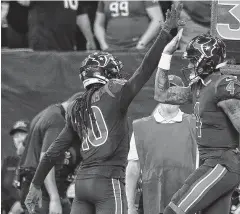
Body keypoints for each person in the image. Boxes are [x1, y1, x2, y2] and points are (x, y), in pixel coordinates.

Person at [24, 4, 185, 214]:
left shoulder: (76, 106)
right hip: (108, 182)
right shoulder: (113, 91)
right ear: (107, 73)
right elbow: (144, 70)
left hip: (82, 186)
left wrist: (35, 184)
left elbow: (53, 152)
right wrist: (164, 35)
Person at [153, 34, 240, 213]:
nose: (189, 65)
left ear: (206, 60)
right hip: (212, 162)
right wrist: (166, 53)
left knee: (174, 210)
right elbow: (161, 95)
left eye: (193, 60)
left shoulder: (221, 84)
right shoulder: (199, 86)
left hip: (222, 163)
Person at [126, 75, 198, 214]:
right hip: (149, 203)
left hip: (185, 203)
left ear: (182, 95)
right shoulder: (141, 127)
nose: (170, 95)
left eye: (174, 91)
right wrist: (129, 206)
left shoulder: (195, 124)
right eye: (166, 90)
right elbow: (133, 169)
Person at [19, 93, 83, 214]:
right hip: (42, 191)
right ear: (75, 106)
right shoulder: (57, 120)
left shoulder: (46, 113)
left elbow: (21, 150)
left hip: (32, 184)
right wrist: (54, 198)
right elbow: (46, 160)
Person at [26, 0, 95, 51]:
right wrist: (90, 40)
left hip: (64, 44)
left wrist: (90, 40)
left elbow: (81, 15)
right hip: (46, 43)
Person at [94, 0, 164, 50]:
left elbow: (158, 19)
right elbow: (98, 24)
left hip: (138, 47)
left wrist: (142, 43)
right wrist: (104, 45)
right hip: (111, 48)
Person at [1, 120, 29, 214]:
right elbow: (2, 189)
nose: (18, 139)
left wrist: (21, 205)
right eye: (16, 136)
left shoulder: (42, 161)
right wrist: (13, 205)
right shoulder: (8, 162)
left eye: (22, 134)